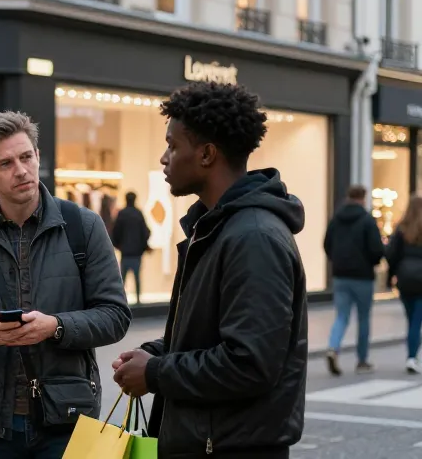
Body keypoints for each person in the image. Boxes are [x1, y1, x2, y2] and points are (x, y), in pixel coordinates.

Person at [112, 82, 308, 458]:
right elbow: (210, 336)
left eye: (173, 145)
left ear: (206, 155)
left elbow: (249, 363)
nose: (164, 158)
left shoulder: (253, 237)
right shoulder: (216, 227)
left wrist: (155, 372)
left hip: (231, 447)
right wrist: (154, 353)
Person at [0, 111, 131, 458]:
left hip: (67, 419)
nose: (21, 170)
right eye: (5, 163)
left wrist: (56, 326)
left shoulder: (84, 227)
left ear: (38, 156)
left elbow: (115, 315)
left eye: (26, 157)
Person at [323, 184, 384, 375]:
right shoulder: (367, 220)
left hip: (341, 275)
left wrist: (337, 261)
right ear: (363, 198)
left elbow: (327, 243)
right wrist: (372, 261)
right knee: (364, 318)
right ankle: (362, 360)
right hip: (363, 276)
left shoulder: (336, 219)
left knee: (341, 316)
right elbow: (376, 249)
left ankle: (333, 348)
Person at [383, 194, 422, 374]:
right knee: (416, 321)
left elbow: (391, 254)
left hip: (405, 278)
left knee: (410, 318)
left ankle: (412, 354)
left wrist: (391, 277)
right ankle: (412, 357)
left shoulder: (401, 228)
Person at [111, 191, 151, 299]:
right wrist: (143, 246)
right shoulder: (138, 213)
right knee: (137, 277)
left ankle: (121, 300)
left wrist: (118, 245)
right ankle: (138, 299)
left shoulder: (122, 214)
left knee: (122, 279)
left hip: (125, 252)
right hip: (137, 252)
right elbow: (146, 232)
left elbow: (115, 232)